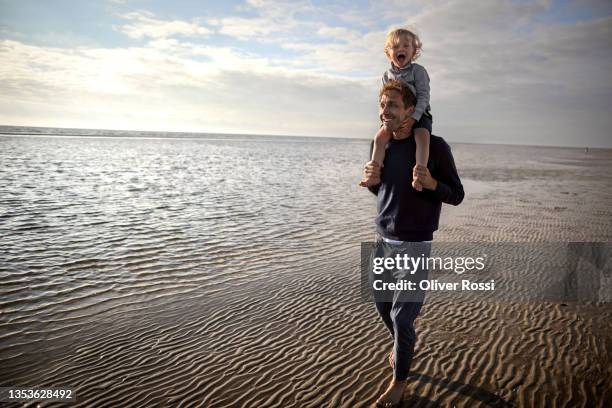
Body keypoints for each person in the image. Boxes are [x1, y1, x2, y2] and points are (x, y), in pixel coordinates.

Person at [362, 79, 464, 408]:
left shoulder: (435, 147)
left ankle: (399, 382)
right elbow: (386, 193)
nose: (385, 111)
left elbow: (457, 195)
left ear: (410, 110)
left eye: (392, 105)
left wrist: (433, 183)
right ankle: (402, 346)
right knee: (383, 309)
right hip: (383, 241)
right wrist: (372, 183)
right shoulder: (381, 145)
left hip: (416, 245)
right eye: (382, 105)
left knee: (402, 318)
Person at [360, 27, 432, 192]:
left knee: (422, 137)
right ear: (388, 53)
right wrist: (384, 119)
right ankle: (373, 174)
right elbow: (384, 100)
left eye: (406, 46)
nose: (401, 49)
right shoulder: (386, 75)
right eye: (395, 47)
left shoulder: (418, 71)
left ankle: (419, 175)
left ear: (414, 51)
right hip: (394, 118)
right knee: (379, 138)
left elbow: (423, 96)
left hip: (420, 113)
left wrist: (414, 117)